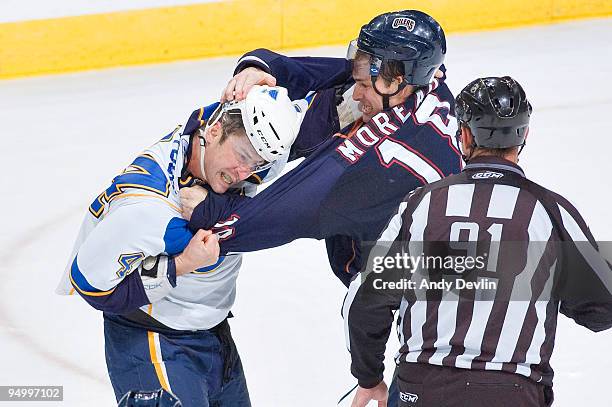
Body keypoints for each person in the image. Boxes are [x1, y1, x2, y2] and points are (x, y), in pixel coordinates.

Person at [344, 77, 612, 407]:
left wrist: (368, 376)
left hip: (422, 387)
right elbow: (603, 306)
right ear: (523, 135)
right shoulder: (550, 211)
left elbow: (366, 302)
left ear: (465, 135)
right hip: (511, 391)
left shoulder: (420, 205)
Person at [55, 85, 305, 407]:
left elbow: (321, 111)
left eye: (256, 164)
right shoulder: (148, 208)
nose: (245, 173)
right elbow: (91, 285)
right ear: (214, 132)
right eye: (243, 157)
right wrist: (180, 265)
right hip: (153, 343)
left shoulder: (236, 140)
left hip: (215, 337)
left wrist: (256, 65)